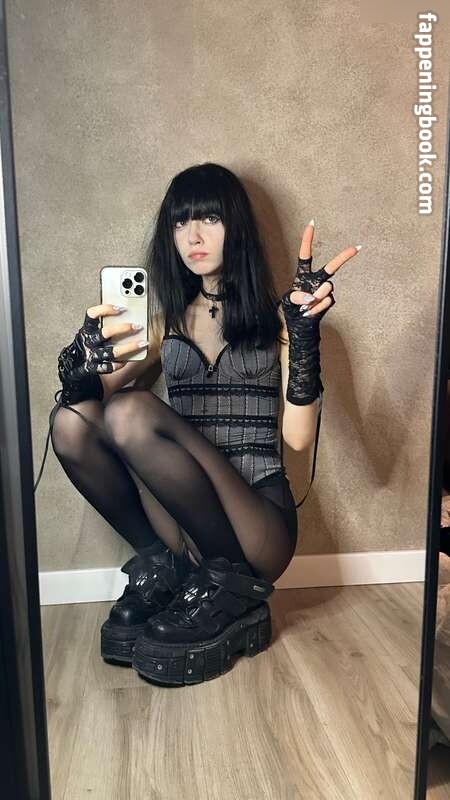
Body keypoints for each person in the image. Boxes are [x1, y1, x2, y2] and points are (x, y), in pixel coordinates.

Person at [49, 163, 359, 686]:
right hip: (186, 529)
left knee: (130, 409)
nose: (192, 236)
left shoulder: (279, 319)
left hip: (258, 528)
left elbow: (298, 437)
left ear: (236, 226)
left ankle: (229, 588)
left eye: (209, 219)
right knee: (71, 421)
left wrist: (303, 337)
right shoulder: (164, 323)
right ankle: (162, 566)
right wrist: (82, 359)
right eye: (180, 222)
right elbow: (88, 403)